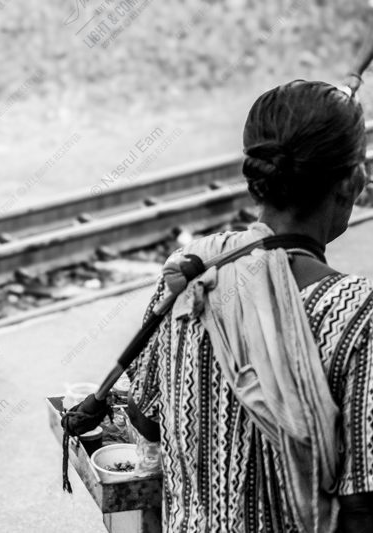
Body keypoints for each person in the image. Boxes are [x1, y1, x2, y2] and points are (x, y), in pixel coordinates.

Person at [127, 80, 373, 532]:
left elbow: (145, 417)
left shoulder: (190, 271)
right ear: (349, 185)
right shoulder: (356, 313)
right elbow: (362, 503)